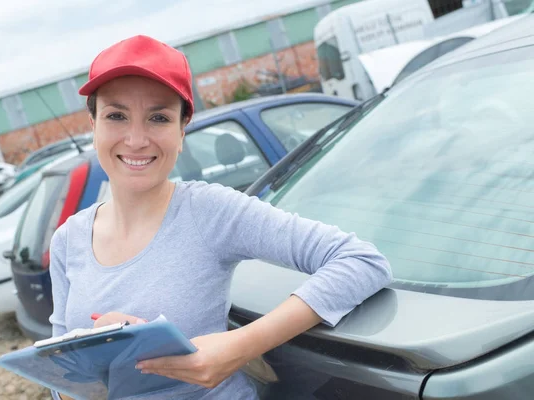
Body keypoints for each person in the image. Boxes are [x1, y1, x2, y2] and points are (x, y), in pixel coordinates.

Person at [48, 35, 392, 400]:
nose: (135, 139)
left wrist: (240, 346)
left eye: (158, 118)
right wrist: (103, 352)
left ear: (182, 131)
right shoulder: (68, 240)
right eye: (116, 116)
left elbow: (361, 261)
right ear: (93, 124)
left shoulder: (210, 212)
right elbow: (59, 376)